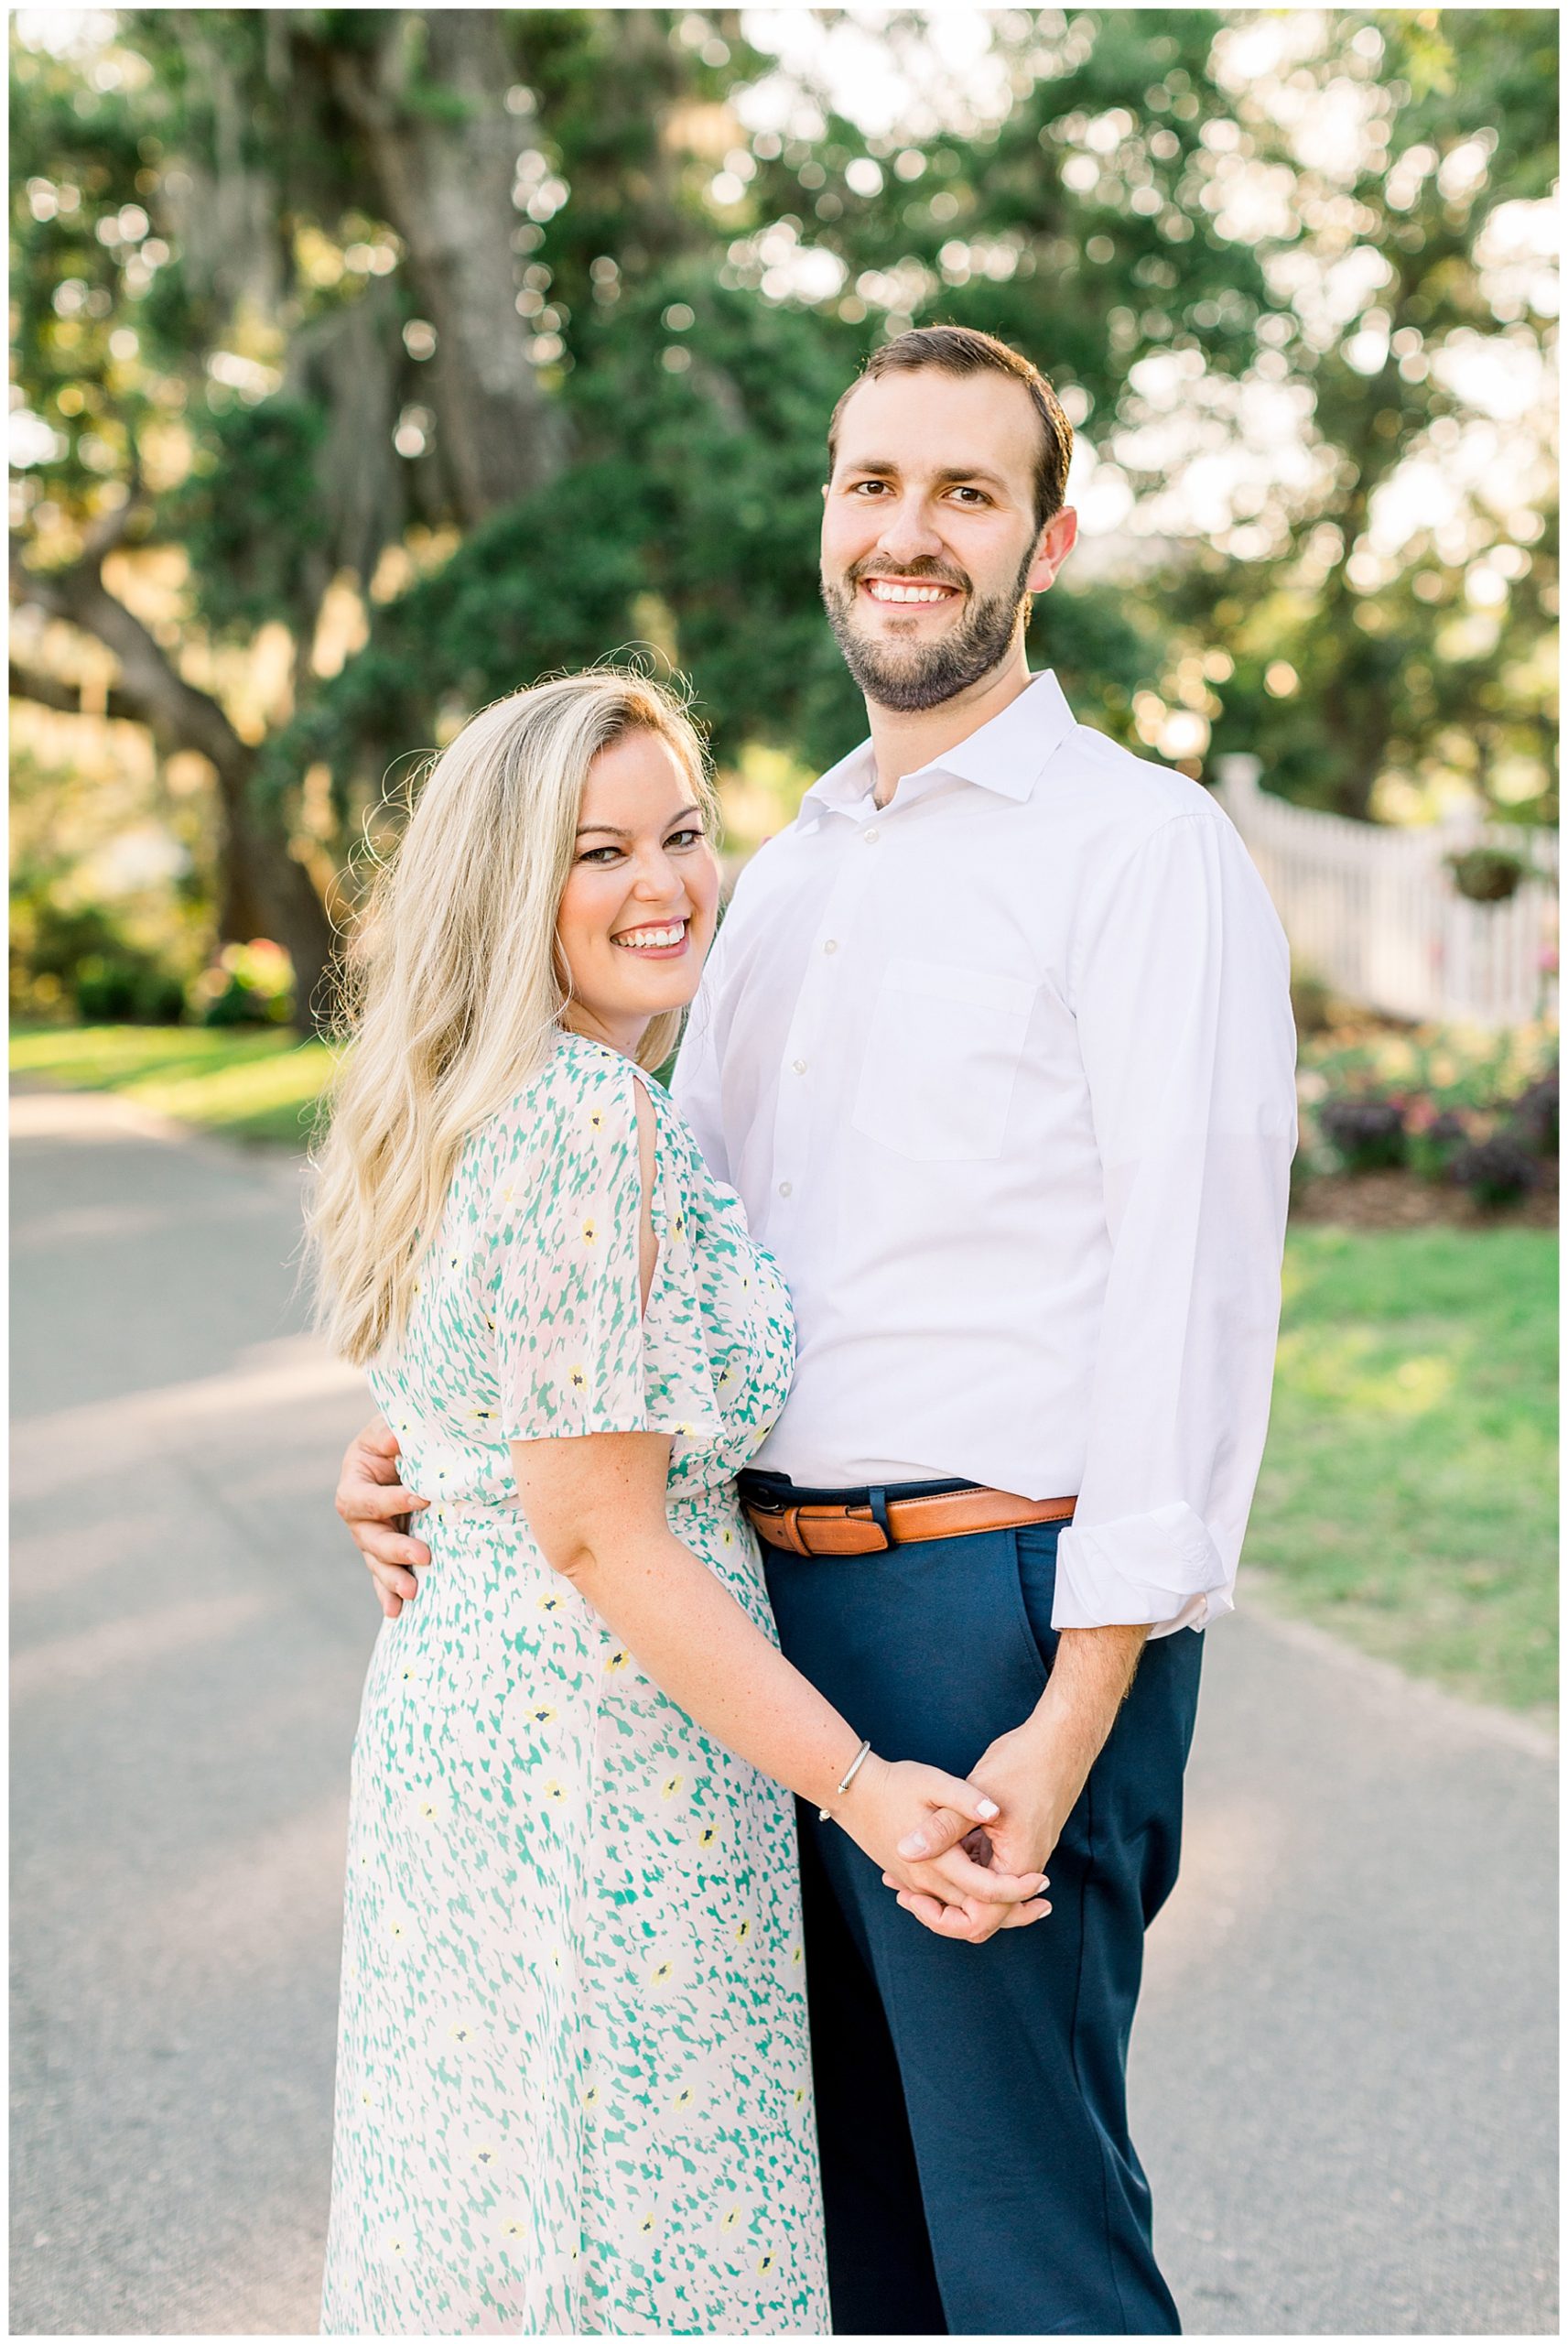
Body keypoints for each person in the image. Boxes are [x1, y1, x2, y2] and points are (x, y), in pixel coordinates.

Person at [339, 326, 1297, 2335]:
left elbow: (1190, 1309)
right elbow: (643, 1266)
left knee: (1026, 2245)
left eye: (964, 492)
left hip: (993, 1613)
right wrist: (445, 1448)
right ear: (828, 521)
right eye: (873, 484)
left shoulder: (1140, 852)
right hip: (747, 1644)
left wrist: (1071, 1700)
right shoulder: (766, 881)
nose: (908, 532)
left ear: (1043, 542)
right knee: (838, 2247)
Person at [307, 668, 1046, 2337]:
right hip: (600, 1758)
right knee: (632, 2234)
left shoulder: (477, 1100)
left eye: (686, 835)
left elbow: (469, 1419)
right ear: (509, 888)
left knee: (503, 2217)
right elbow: (601, 1532)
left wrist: (397, 1465)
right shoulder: (583, 1123)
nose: (664, 886)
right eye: (598, 851)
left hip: (471, 1724)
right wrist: (861, 1789)